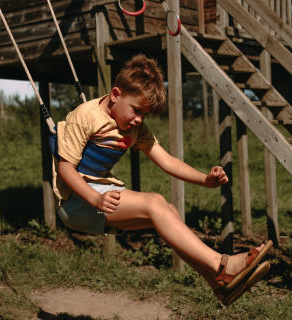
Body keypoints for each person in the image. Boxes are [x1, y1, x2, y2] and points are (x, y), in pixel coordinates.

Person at [52, 54, 272, 305]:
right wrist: (95, 198)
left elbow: (167, 161)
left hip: (100, 197)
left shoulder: (135, 128)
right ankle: (224, 263)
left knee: (169, 212)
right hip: (76, 202)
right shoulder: (86, 115)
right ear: (115, 94)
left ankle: (219, 285)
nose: (138, 120)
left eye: (144, 115)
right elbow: (65, 168)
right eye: (136, 110)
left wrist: (205, 180)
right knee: (155, 202)